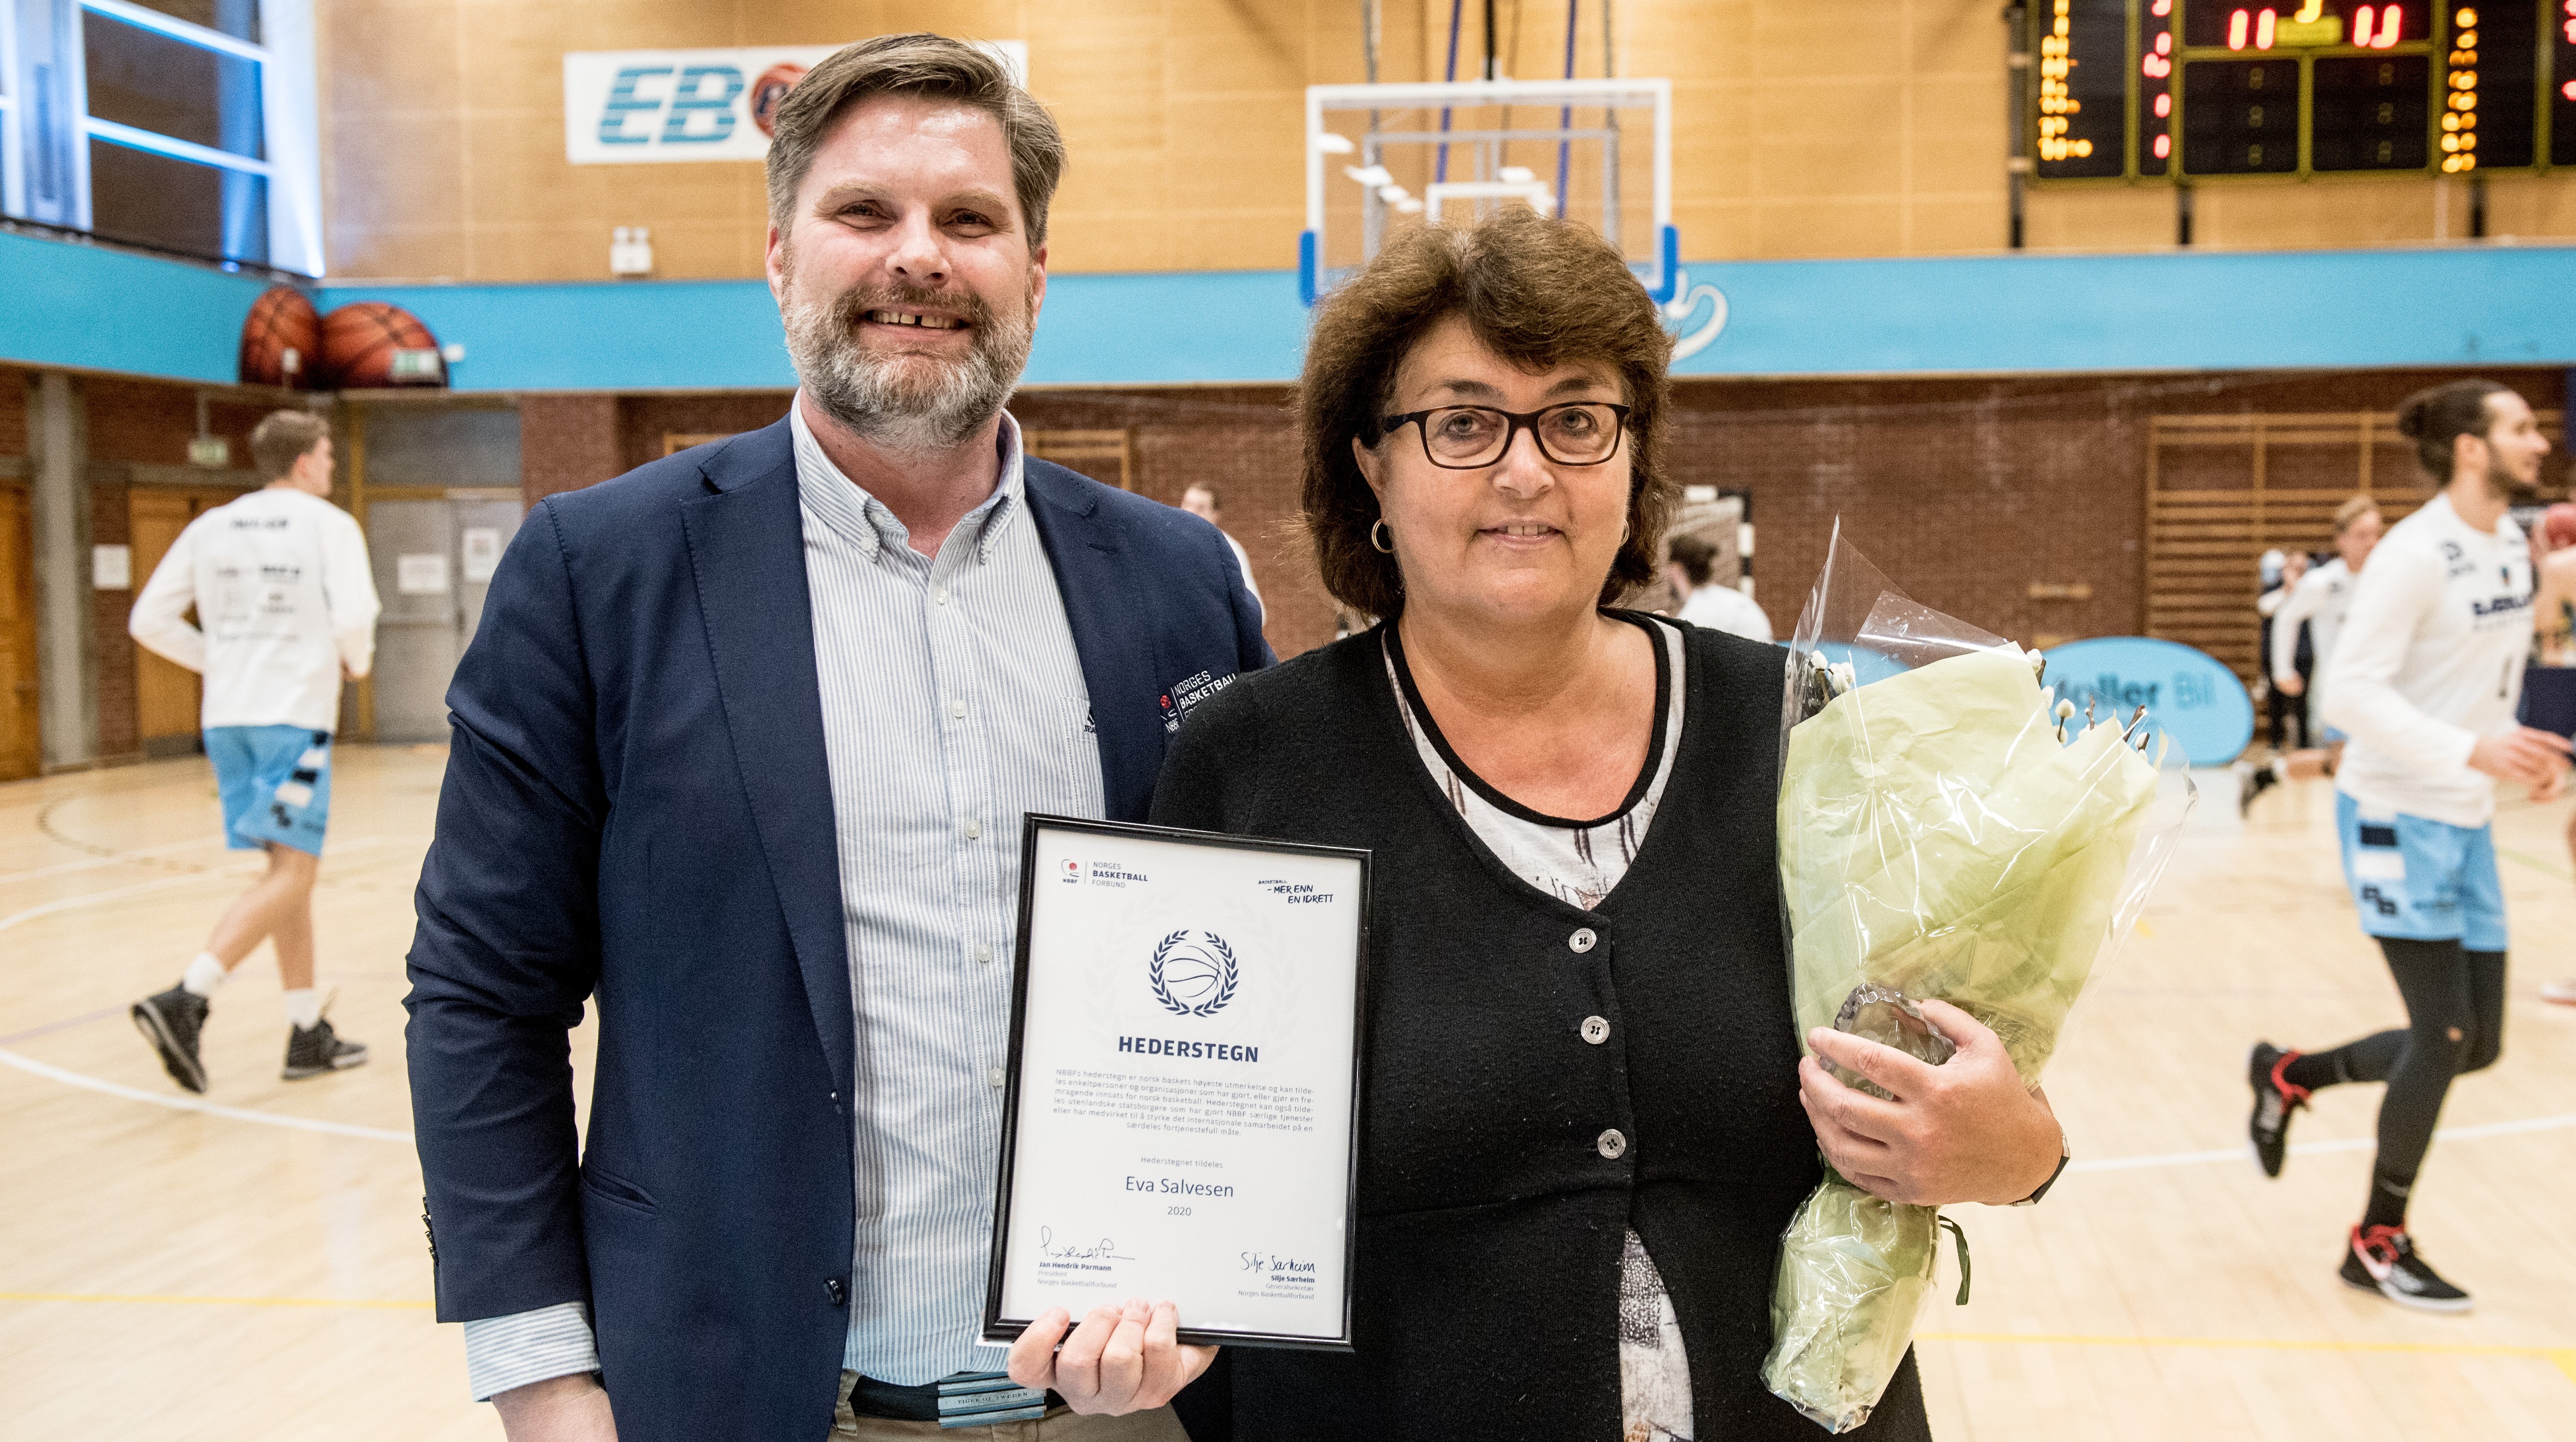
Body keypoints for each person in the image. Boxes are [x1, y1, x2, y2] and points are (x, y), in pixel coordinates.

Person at [404, 35, 1263, 1442]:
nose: (917, 257)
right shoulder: (598, 571)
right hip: (745, 1394)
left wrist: (1226, 1284)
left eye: (969, 221)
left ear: (1033, 277)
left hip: (1133, 1401)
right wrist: (541, 1381)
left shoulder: (1180, 580)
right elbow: (482, 993)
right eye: (865, 212)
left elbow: (1253, 980)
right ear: (779, 255)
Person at [1124, 209, 2063, 1441]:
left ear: (1631, 461)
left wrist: (2015, 1151)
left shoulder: (1793, 727)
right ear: (1369, 466)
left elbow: (1963, 1090)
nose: (1525, 471)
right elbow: (1175, 1172)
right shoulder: (1252, 763)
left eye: (1574, 419)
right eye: (1460, 423)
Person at [2246, 379, 2569, 1313]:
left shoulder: (2507, 537)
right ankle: (2375, 1241)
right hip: (2394, 814)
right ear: (2471, 447)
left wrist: (2513, 752)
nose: (2538, 440)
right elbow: (2347, 695)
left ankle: (2289, 1073)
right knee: (2444, 1033)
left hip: (2464, 812)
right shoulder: (2411, 554)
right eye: (2519, 427)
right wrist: (2468, 747)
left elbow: (2488, 665)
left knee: (2481, 1043)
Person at [126, 410, 380, 1093]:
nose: (331, 466)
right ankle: (188, 997)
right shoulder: (330, 525)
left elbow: (147, 618)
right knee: (294, 872)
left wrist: (219, 660)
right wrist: (355, 660)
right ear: (305, 462)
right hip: (291, 717)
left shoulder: (211, 525)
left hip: (227, 719)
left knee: (285, 871)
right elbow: (355, 617)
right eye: (328, 455)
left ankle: (305, 1031)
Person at [2239, 496, 2384, 812]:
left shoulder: (2388, 578)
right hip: (2343, 692)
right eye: (2362, 535)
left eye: (2376, 533)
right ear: (2342, 540)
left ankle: (2267, 775)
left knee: (2349, 765)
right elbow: (2286, 617)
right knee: (2351, 768)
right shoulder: (2325, 582)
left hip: (2384, 690)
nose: (2371, 542)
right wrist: (2281, 670)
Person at [1662, 530, 1774, 642]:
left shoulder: (1692, 619)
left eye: (1669, 567)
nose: (1666, 573)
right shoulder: (1736, 600)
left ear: (1677, 569)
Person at [2255, 547, 2313, 756]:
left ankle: (2304, 743)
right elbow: (2264, 606)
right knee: (2275, 700)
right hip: (2274, 655)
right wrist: (2288, 590)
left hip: (2304, 653)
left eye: (2302, 568)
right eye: (2293, 567)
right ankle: (2276, 741)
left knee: (2302, 701)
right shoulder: (2274, 589)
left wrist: (2297, 589)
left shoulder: (2311, 589)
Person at [1179, 484, 1262, 618]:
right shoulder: (1169, 544)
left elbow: (1256, 612)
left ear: (1215, 515)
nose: (1191, 512)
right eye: (1187, 504)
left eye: (1200, 508)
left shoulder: (1231, 550)